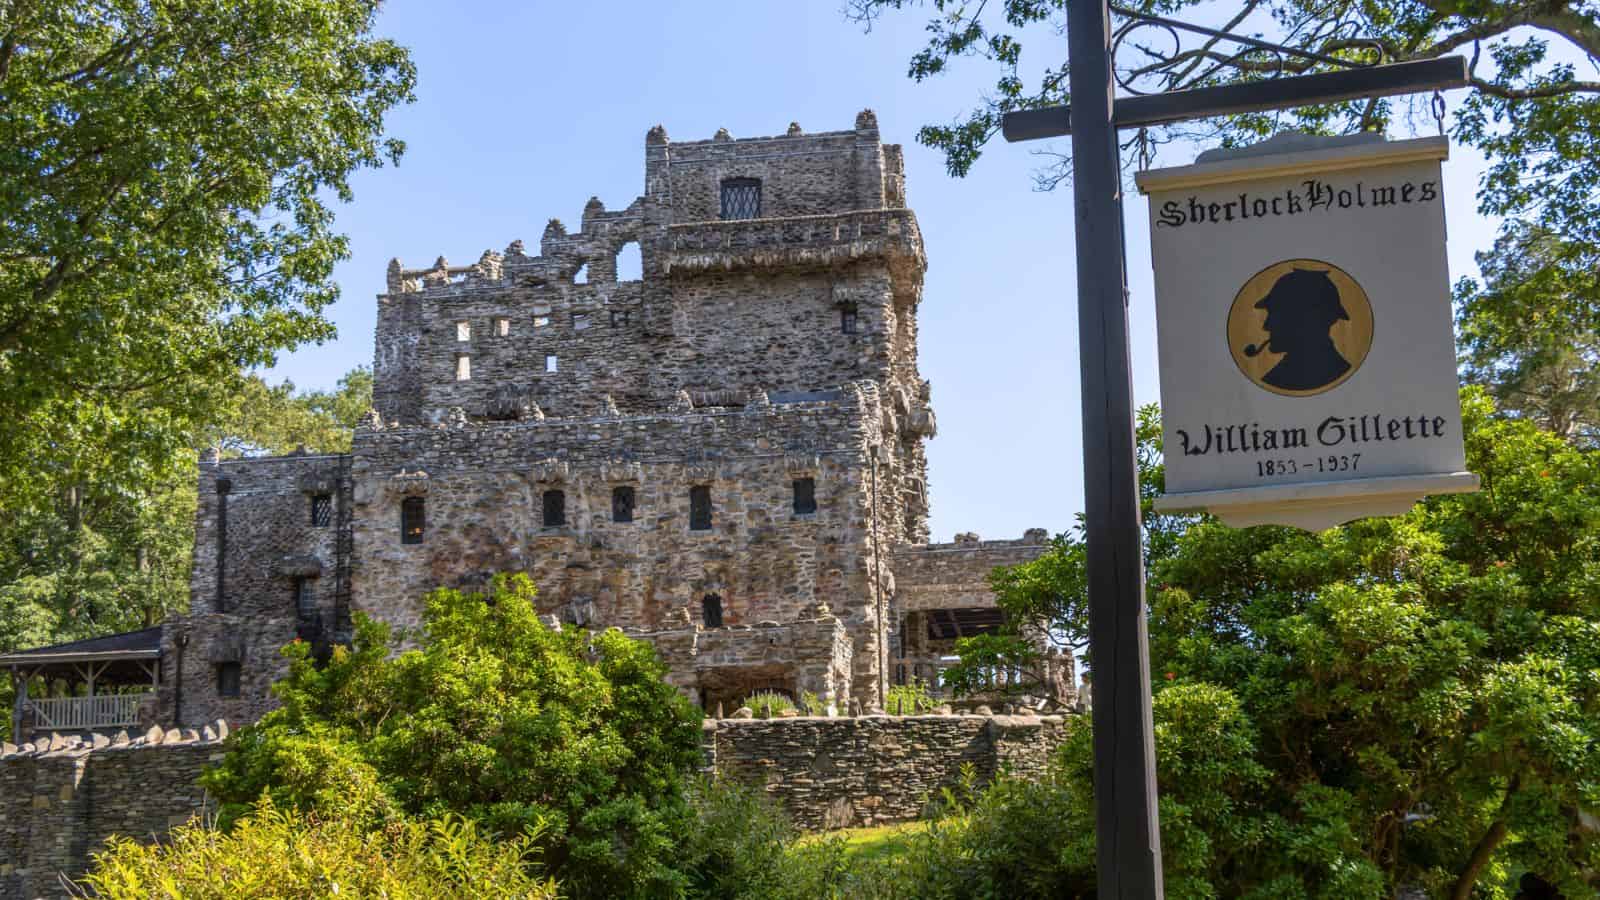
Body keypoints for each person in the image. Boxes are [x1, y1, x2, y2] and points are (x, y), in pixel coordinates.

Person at [1249, 268, 1352, 391]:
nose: (1266, 326)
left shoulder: (1279, 379)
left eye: (1276, 316)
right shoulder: (1340, 370)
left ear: (1305, 321)